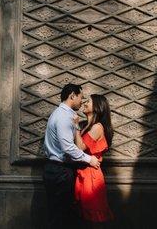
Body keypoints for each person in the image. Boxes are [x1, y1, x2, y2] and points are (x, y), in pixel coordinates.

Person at [43, 83, 101, 229]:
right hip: (60, 171)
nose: (82, 101)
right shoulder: (63, 116)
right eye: (81, 97)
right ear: (72, 96)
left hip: (56, 169)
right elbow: (68, 147)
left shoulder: (62, 114)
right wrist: (89, 159)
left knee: (59, 213)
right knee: (59, 216)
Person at [73, 94, 114, 227]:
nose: (84, 103)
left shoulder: (97, 127)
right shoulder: (87, 125)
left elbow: (80, 147)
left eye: (88, 101)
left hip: (91, 177)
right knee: (83, 217)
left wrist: (76, 127)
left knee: (92, 219)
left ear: (97, 107)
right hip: (84, 173)